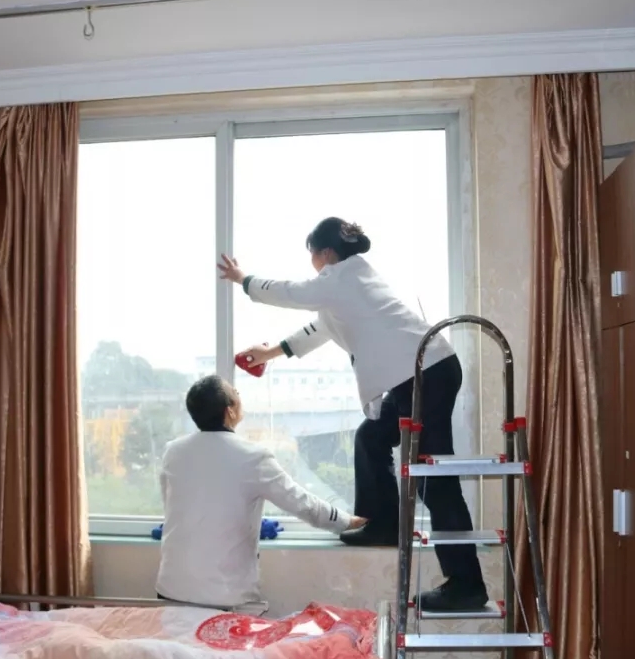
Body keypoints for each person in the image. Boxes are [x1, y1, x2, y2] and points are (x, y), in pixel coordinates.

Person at [216, 217, 487, 613]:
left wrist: (244, 280)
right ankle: (382, 524)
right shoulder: (346, 286)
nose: (312, 262)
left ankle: (466, 584)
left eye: (312, 253)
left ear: (325, 252)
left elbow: (290, 293)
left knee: (434, 482)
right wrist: (269, 353)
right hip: (418, 374)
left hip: (426, 373)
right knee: (371, 437)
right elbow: (318, 329)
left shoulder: (341, 277)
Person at [156, 374, 366, 610]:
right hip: (223, 596)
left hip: (172, 588)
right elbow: (300, 502)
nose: (239, 395)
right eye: (235, 392)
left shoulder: (173, 451)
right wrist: (345, 521)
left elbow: (173, 505)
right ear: (230, 411)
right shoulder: (252, 456)